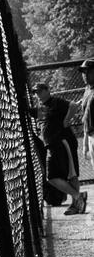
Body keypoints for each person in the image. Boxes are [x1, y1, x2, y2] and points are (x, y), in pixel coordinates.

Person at [29, 82, 87, 215]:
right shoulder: (41, 107)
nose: (37, 94)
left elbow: (73, 106)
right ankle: (78, 200)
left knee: (62, 175)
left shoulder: (55, 101)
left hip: (62, 142)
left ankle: (77, 199)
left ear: (47, 90)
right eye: (35, 92)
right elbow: (32, 112)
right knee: (64, 175)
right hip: (53, 145)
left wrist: (67, 120)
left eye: (39, 91)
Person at [79, 57, 94, 170]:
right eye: (83, 72)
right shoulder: (87, 89)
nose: (84, 74)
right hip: (91, 135)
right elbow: (86, 116)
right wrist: (85, 143)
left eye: (87, 71)